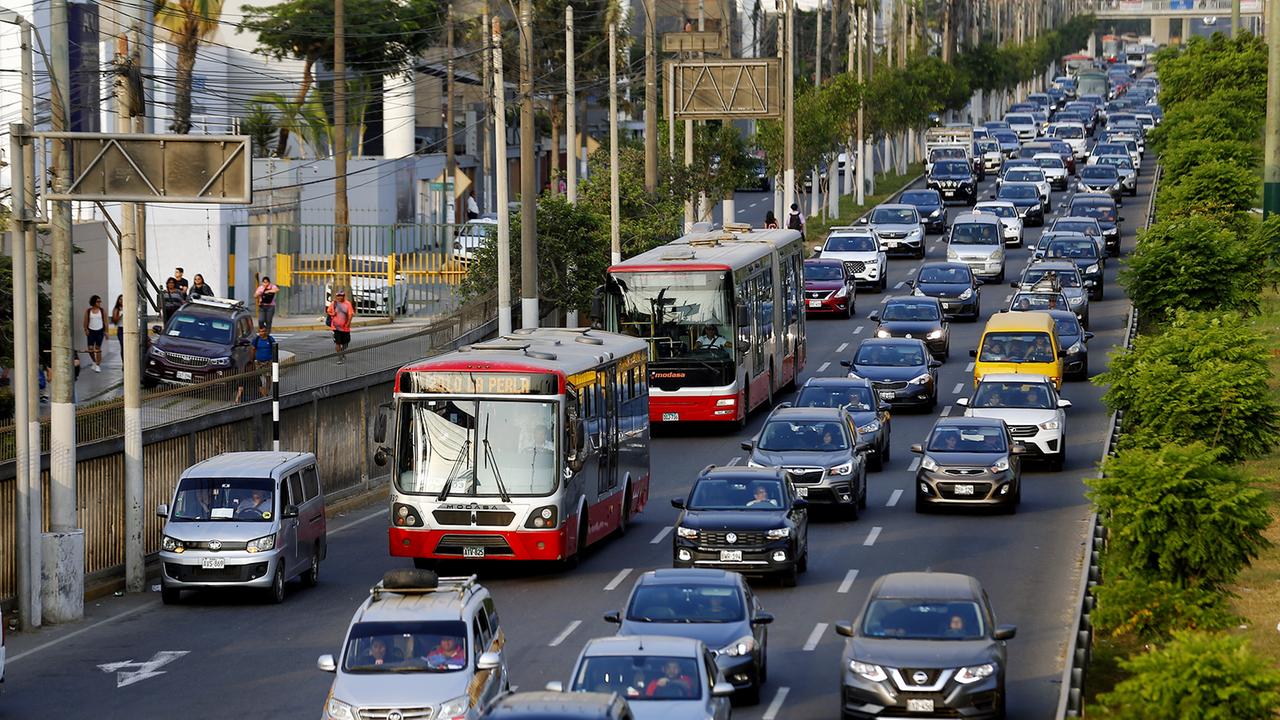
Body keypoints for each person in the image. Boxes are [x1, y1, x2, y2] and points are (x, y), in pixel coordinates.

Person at [328, 289, 356, 364]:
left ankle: (342, 352)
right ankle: (339, 357)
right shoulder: (334, 304)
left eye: (341, 296)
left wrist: (348, 323)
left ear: (344, 296)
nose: (339, 297)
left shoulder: (348, 304)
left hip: (345, 328)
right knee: (337, 343)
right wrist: (332, 314)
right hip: (335, 327)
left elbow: (350, 314)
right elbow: (328, 311)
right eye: (338, 296)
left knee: (346, 343)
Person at [83, 295, 106, 373]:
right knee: (90, 349)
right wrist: (85, 329)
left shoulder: (102, 311)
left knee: (97, 348)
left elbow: (105, 321)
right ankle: (94, 361)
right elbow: (85, 321)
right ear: (93, 302)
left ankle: (98, 365)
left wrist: (106, 332)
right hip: (91, 331)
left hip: (100, 331)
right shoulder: (88, 311)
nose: (99, 303)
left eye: (100, 301)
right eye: (98, 301)